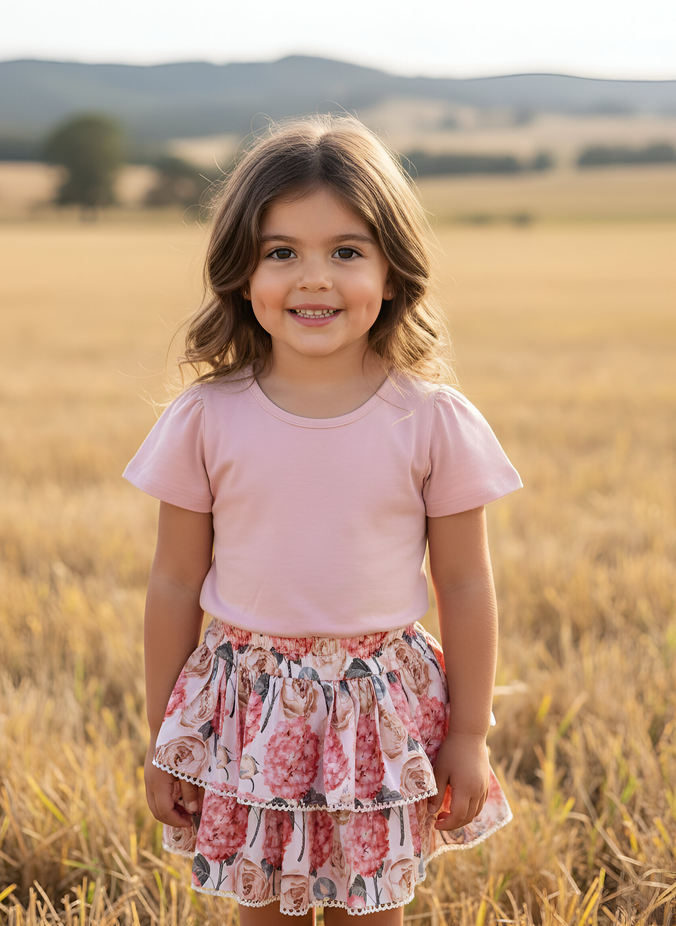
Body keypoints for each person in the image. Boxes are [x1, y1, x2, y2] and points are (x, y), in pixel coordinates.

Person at [123, 114, 522, 925]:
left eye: (346, 251)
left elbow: (466, 582)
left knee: (371, 915)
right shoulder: (206, 418)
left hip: (379, 712)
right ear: (241, 272)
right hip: (247, 705)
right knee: (261, 913)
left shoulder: (432, 419)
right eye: (282, 252)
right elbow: (172, 583)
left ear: (391, 269)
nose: (314, 278)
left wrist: (470, 733)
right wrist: (169, 736)